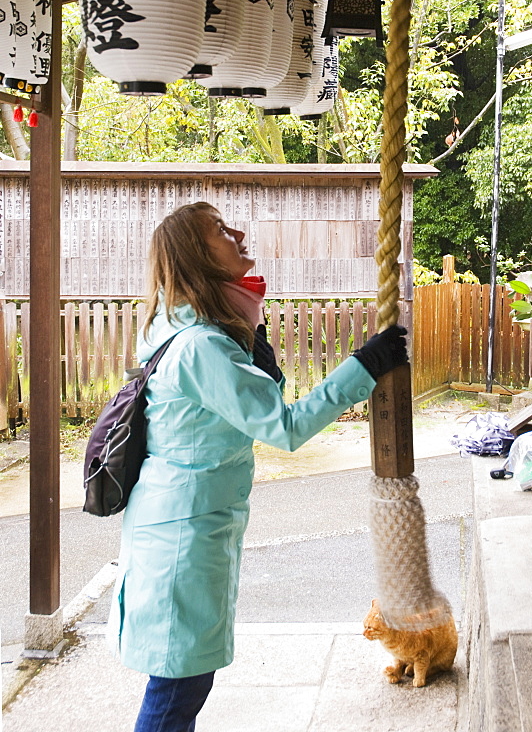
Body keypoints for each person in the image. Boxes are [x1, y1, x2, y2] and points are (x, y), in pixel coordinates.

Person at [106, 201, 408, 732]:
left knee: (184, 679)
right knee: (178, 686)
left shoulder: (182, 326)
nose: (238, 232)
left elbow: (242, 404)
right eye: (220, 230)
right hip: (182, 534)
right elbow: (284, 428)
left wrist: (254, 345)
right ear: (197, 256)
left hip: (178, 520)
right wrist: (365, 364)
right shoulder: (201, 346)